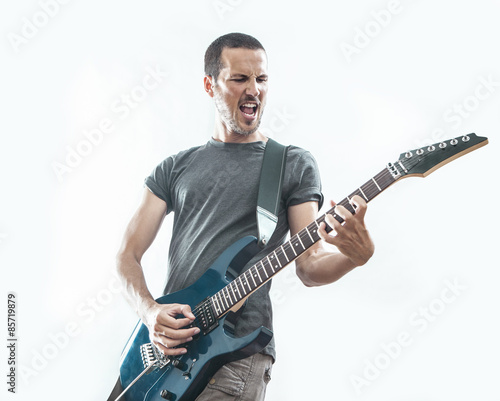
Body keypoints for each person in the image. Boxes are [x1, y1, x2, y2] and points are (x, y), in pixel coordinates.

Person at [113, 32, 374, 401]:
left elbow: (309, 266)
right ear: (210, 85)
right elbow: (127, 254)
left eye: (261, 79)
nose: (254, 89)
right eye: (240, 79)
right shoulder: (174, 168)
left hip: (233, 357)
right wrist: (149, 311)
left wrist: (354, 257)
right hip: (163, 355)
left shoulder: (291, 164)